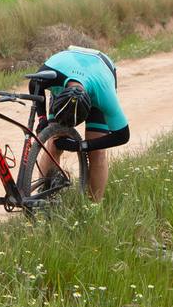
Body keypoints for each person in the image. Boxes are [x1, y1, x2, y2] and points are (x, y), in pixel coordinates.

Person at [31, 46, 130, 202]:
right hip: (64, 66)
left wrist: (82, 146)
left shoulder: (104, 96)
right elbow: (34, 85)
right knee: (54, 144)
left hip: (101, 70)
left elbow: (123, 136)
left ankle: (92, 209)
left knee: (97, 153)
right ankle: (45, 199)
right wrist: (42, 119)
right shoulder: (52, 74)